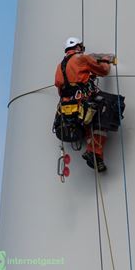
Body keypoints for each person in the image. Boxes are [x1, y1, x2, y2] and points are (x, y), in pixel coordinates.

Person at [55, 37, 111, 172]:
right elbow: (103, 71)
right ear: (78, 47)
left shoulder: (60, 66)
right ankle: (94, 152)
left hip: (66, 107)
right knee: (104, 115)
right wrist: (105, 60)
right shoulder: (81, 58)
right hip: (82, 102)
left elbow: (60, 89)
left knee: (88, 123)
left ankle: (96, 155)